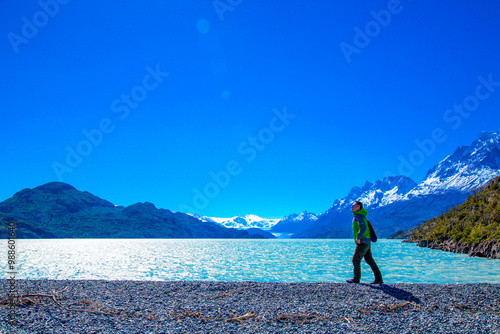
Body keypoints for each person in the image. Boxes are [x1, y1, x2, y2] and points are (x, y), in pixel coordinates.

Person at [346, 200, 383, 284]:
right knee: (369, 260)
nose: (351, 207)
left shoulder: (359, 216)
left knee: (355, 259)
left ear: (358, 207)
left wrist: (358, 237)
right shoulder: (359, 216)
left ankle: (356, 279)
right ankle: (379, 278)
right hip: (367, 241)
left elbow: (363, 228)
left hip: (363, 241)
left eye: (353, 206)